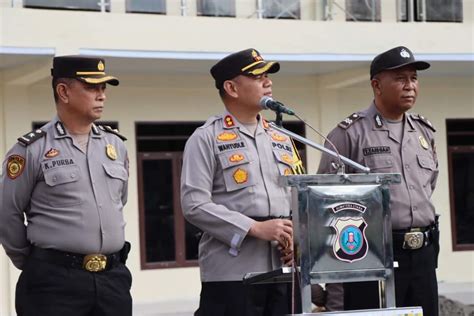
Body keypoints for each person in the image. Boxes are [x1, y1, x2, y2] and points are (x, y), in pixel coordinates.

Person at [0, 56, 132, 316]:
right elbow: (7, 212)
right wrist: (35, 262)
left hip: (112, 279)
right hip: (53, 284)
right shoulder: (31, 149)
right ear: (63, 91)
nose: (102, 96)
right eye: (92, 87)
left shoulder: (115, 146)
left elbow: (119, 202)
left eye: (104, 88)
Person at [318, 46, 440, 315]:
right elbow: (324, 207)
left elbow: (427, 187)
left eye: (414, 78)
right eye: (400, 79)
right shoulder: (349, 134)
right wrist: (335, 286)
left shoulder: (423, 131)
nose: (410, 86)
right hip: (371, 256)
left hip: (423, 255)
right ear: (376, 85)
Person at [181, 48, 303, 315]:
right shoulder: (206, 138)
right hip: (233, 274)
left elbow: (297, 198)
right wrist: (255, 228)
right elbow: (194, 205)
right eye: (258, 76)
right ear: (232, 88)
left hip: (282, 270)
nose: (268, 82)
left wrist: (298, 239)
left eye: (268, 76)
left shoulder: (281, 138)